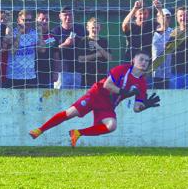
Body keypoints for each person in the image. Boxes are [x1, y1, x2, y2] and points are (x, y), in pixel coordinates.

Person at [29, 52, 161, 147]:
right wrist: (123, 92)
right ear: (133, 60)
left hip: (108, 104)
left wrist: (145, 105)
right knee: (70, 114)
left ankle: (77, 133)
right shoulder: (122, 69)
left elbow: (136, 108)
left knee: (111, 126)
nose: (144, 62)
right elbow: (107, 85)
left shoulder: (142, 83)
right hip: (97, 94)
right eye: (141, 59)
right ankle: (39, 130)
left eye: (147, 61)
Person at [4, 9, 46, 88]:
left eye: (29, 20)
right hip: (13, 76)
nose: (27, 22)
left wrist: (40, 31)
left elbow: (42, 50)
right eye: (24, 20)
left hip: (30, 76)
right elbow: (13, 51)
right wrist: (19, 33)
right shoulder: (12, 33)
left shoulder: (34, 33)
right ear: (18, 20)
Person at [51, 6, 85, 89]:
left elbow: (88, 45)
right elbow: (51, 51)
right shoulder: (55, 31)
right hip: (61, 72)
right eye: (65, 14)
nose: (68, 17)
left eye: (70, 14)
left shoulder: (81, 29)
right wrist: (65, 44)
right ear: (60, 16)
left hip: (79, 71)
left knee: (77, 98)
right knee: (60, 99)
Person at [169, 6, 188, 89]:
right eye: (181, 16)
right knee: (175, 98)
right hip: (176, 72)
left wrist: (187, 34)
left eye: (186, 15)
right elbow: (169, 49)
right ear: (177, 18)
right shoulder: (173, 32)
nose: (183, 18)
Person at [78, 17, 113, 86]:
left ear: (100, 28)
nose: (95, 30)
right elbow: (80, 59)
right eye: (93, 27)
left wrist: (98, 47)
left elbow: (110, 58)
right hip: (87, 76)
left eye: (97, 28)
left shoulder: (104, 41)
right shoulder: (83, 41)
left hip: (102, 76)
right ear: (88, 28)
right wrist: (96, 55)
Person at [150, 8, 172, 88]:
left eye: (168, 17)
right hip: (151, 72)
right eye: (163, 16)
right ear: (157, 18)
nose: (165, 19)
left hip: (168, 73)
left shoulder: (173, 32)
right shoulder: (151, 31)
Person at [35, 10, 58, 89]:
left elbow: (56, 55)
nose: (44, 22)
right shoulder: (32, 35)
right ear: (37, 20)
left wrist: (56, 72)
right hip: (33, 72)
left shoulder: (53, 35)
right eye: (42, 19)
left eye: (47, 19)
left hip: (49, 73)